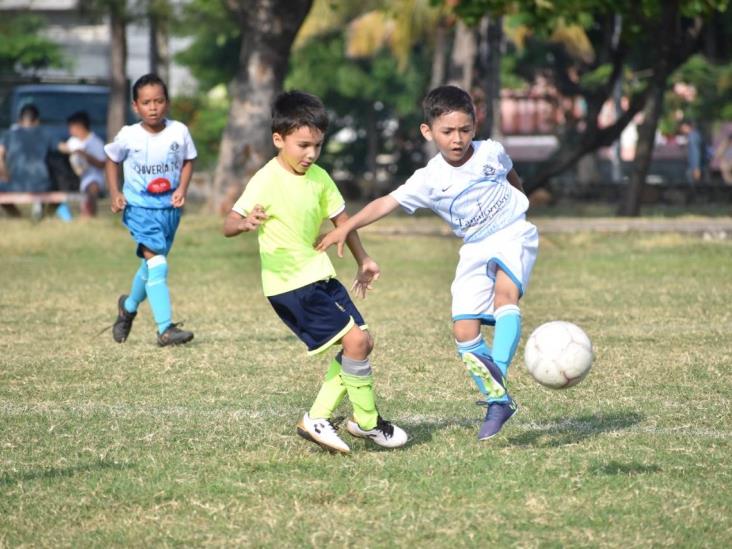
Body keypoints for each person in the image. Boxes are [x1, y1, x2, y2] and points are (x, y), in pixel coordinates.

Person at [317, 85, 538, 441]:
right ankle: (499, 400)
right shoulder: (430, 179)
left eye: (465, 130)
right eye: (448, 132)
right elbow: (385, 203)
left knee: (505, 294)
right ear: (428, 131)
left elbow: (511, 175)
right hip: (474, 246)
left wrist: (521, 196)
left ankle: (498, 369)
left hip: (514, 232)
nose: (458, 139)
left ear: (475, 126)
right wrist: (347, 227)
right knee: (463, 332)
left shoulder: (491, 153)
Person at [223, 91, 408, 454]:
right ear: (279, 139)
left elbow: (343, 222)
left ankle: (331, 420)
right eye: (302, 145)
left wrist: (363, 259)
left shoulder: (321, 177)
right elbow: (228, 223)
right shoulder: (265, 179)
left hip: (320, 276)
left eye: (317, 146)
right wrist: (244, 223)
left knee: (362, 342)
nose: (310, 154)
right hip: (290, 284)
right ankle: (362, 422)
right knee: (356, 343)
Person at [105, 73, 196, 347]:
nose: (153, 107)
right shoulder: (128, 135)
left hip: (168, 211)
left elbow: (189, 160)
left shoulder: (179, 132)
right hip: (140, 209)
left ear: (167, 102)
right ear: (136, 106)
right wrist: (115, 193)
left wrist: (182, 189)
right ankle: (165, 329)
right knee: (158, 264)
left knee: (151, 266)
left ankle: (128, 307)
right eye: (146, 102)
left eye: (158, 101)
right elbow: (111, 160)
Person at [0, 104, 55, 218]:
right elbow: (62, 148)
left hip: (15, 184)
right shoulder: (46, 134)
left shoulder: (9, 135)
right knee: (53, 187)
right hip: (42, 184)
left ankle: (17, 216)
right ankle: (42, 210)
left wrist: (4, 173)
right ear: (37, 120)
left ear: (19, 120)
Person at [58, 111, 106, 217]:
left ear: (79, 126)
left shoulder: (95, 142)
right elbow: (61, 146)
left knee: (92, 188)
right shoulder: (73, 141)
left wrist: (85, 155)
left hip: (93, 177)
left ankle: (89, 215)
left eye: (71, 127)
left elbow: (102, 164)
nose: (69, 131)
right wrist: (69, 150)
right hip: (76, 178)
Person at [679, 119, 704, 185]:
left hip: (694, 167)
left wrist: (696, 168)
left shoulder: (693, 137)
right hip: (694, 166)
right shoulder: (694, 135)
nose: (681, 130)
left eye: (682, 127)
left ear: (688, 127)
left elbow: (695, 152)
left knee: (693, 185)